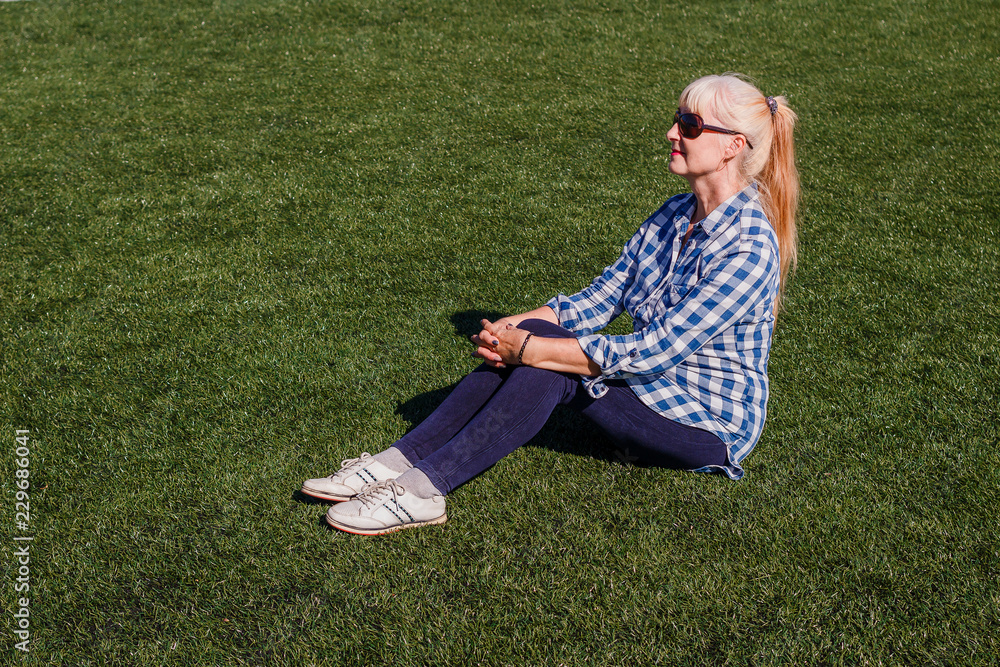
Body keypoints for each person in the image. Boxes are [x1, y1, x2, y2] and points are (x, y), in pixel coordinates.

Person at [302, 73, 799, 535]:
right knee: (541, 346)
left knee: (547, 361)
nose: (671, 132)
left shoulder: (748, 247)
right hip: (648, 388)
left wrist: (532, 349)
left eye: (689, 125)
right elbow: (603, 296)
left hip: (702, 422)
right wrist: (514, 328)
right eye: (676, 118)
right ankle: (396, 462)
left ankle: (425, 490)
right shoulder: (674, 212)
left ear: (734, 145)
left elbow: (653, 351)